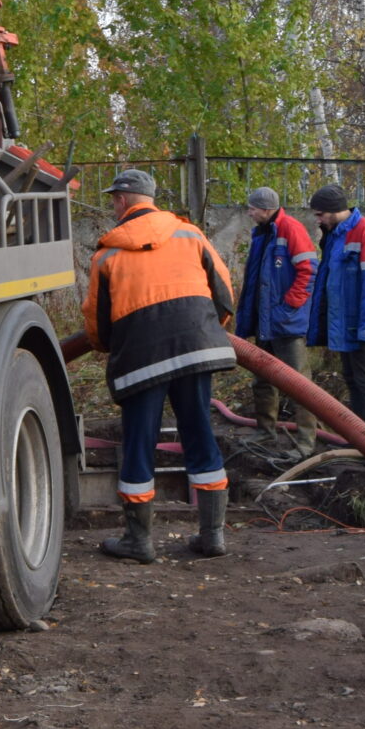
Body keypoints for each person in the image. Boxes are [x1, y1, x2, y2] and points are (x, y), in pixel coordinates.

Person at [82, 169, 239, 562]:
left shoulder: (107, 255)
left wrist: (111, 348)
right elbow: (224, 291)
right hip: (196, 350)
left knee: (138, 443)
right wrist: (205, 332)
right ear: (152, 198)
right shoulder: (191, 234)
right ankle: (213, 535)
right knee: (200, 434)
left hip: (140, 359)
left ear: (121, 201)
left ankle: (138, 540)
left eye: (114, 199)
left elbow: (97, 325)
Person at [304, 184, 365, 438]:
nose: (317, 219)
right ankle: (362, 440)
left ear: (333, 211)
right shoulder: (334, 234)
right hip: (345, 325)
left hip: (361, 327)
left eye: (320, 214)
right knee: (353, 380)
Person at [232, 187, 316, 451]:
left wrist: (288, 307)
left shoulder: (291, 229)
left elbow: (309, 271)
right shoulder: (262, 233)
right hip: (266, 322)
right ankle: (266, 432)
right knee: (262, 379)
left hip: (285, 324)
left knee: (299, 384)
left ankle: (306, 442)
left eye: (253, 208)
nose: (249, 212)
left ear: (265, 209)